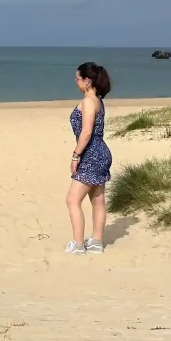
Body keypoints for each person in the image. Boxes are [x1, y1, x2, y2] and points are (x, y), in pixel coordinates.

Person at [65, 62, 113, 255]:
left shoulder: (88, 102)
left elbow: (86, 132)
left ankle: (77, 244)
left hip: (91, 153)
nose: (75, 82)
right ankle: (96, 242)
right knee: (98, 199)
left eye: (77, 79)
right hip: (102, 152)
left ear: (87, 80)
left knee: (72, 200)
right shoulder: (99, 101)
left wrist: (76, 155)